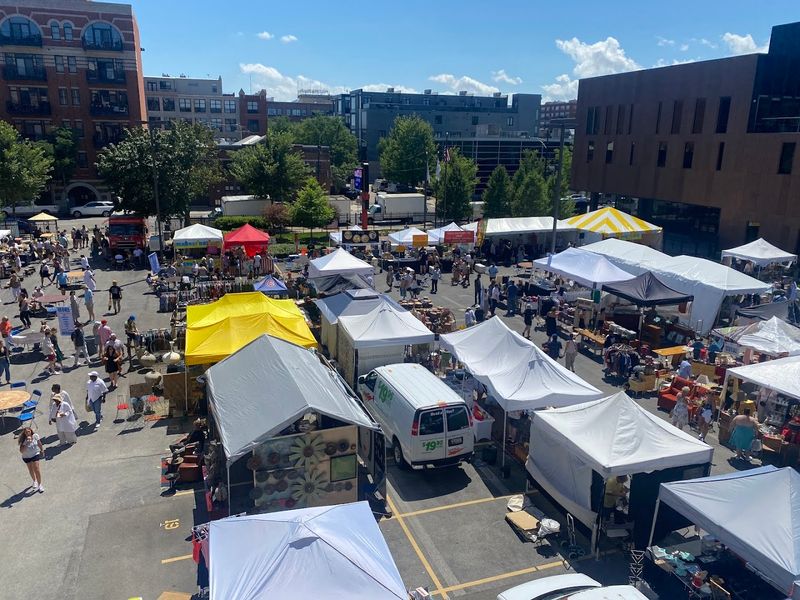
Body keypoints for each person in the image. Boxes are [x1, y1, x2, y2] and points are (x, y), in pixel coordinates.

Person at [18, 427, 44, 493]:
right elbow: (21, 451)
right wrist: (26, 443)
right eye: (26, 432)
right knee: (31, 469)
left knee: (37, 469)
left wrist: (42, 450)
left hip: (35, 454)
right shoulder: (23, 440)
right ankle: (34, 481)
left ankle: (40, 485)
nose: (28, 433)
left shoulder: (35, 436)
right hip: (26, 457)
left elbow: (39, 443)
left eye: (29, 431)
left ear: (31, 431)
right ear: (24, 433)